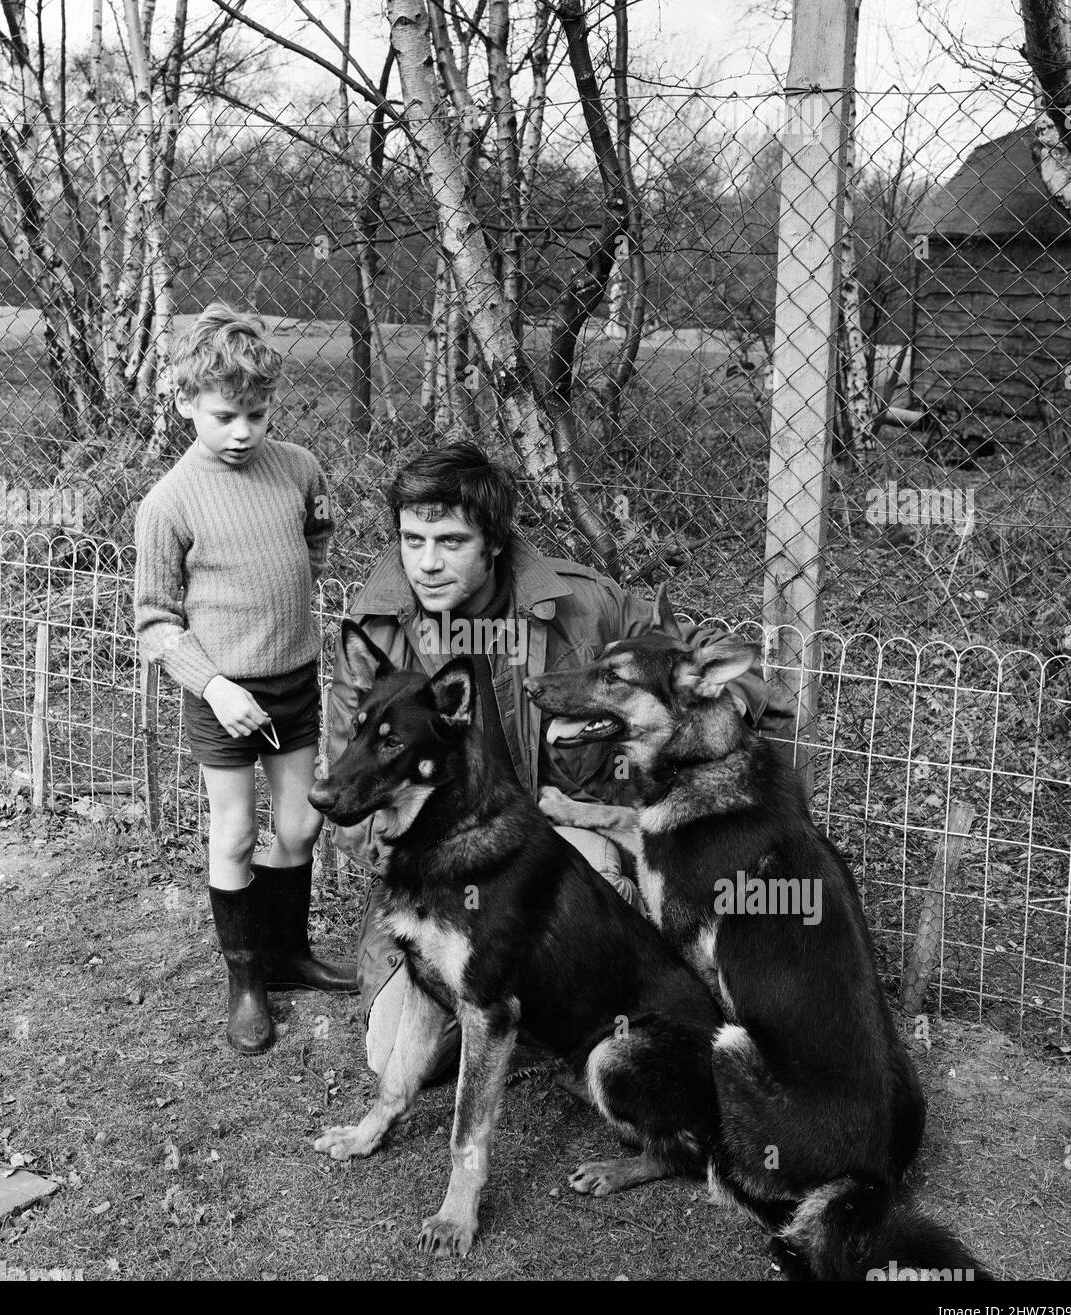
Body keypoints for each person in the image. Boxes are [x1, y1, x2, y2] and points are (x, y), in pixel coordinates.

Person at [326, 441, 782, 1080]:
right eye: (412, 540)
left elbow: (704, 658)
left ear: (493, 542)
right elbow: (350, 801)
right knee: (397, 1061)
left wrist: (708, 705)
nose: (425, 564)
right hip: (440, 865)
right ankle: (520, 1003)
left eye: (451, 542)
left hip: (557, 848)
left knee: (590, 866)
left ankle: (585, 1015)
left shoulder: (583, 605)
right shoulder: (376, 626)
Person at [134, 303, 355, 1057]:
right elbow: (156, 621)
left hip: (293, 682)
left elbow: (317, 534)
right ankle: (247, 980)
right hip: (222, 697)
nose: (242, 433)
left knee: (299, 825)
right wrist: (215, 685)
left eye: (257, 416)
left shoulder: (299, 467)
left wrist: (296, 597)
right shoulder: (168, 503)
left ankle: (290, 956)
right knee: (234, 833)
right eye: (225, 415)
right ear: (184, 402)